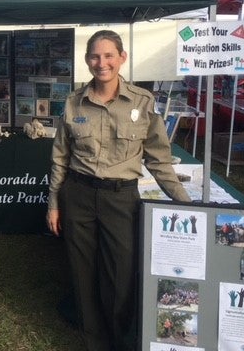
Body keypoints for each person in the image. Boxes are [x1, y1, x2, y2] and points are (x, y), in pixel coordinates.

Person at [46, 30, 191, 351]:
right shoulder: (73, 103)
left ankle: (122, 341)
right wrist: (54, 203)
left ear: (122, 58)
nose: (102, 63)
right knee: (83, 274)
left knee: (121, 275)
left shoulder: (142, 102)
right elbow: (60, 158)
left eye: (109, 55)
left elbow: (159, 160)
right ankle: (94, 342)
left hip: (121, 198)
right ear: (87, 61)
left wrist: (187, 204)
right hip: (79, 195)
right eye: (95, 57)